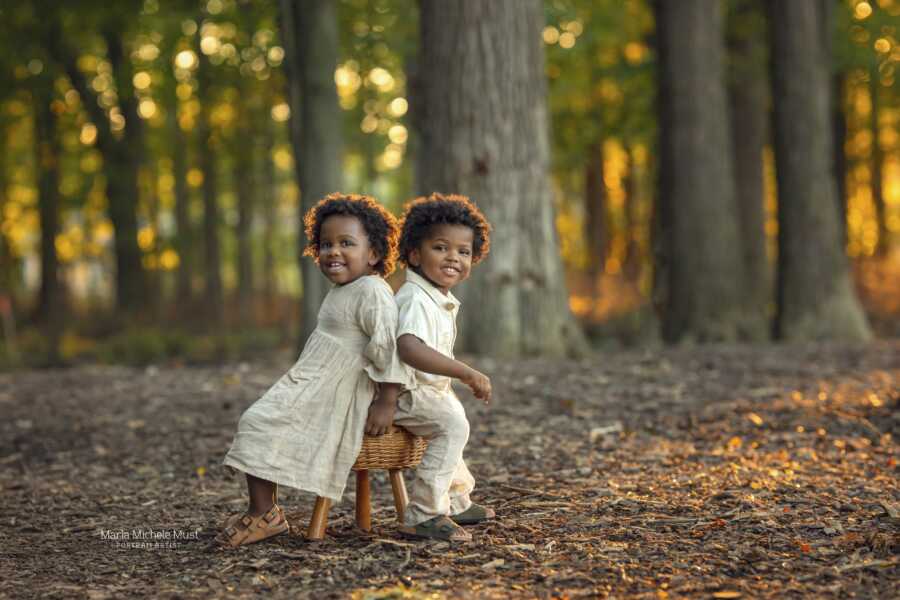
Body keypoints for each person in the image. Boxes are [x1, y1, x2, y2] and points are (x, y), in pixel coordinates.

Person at [217, 193, 409, 547]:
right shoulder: (342, 289)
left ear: (374, 254)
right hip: (315, 380)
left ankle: (264, 515)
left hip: (343, 387)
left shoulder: (372, 291)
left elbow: (388, 347)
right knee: (257, 420)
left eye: (346, 243)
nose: (333, 251)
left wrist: (387, 401)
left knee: (259, 421)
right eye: (325, 244)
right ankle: (266, 511)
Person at [391, 192, 495, 542]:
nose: (453, 257)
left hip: (425, 388)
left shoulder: (437, 297)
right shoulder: (414, 298)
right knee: (452, 425)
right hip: (401, 390)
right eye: (440, 248)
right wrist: (464, 371)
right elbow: (409, 348)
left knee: (454, 421)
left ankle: (455, 500)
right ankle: (424, 513)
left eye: (463, 252)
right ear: (414, 253)